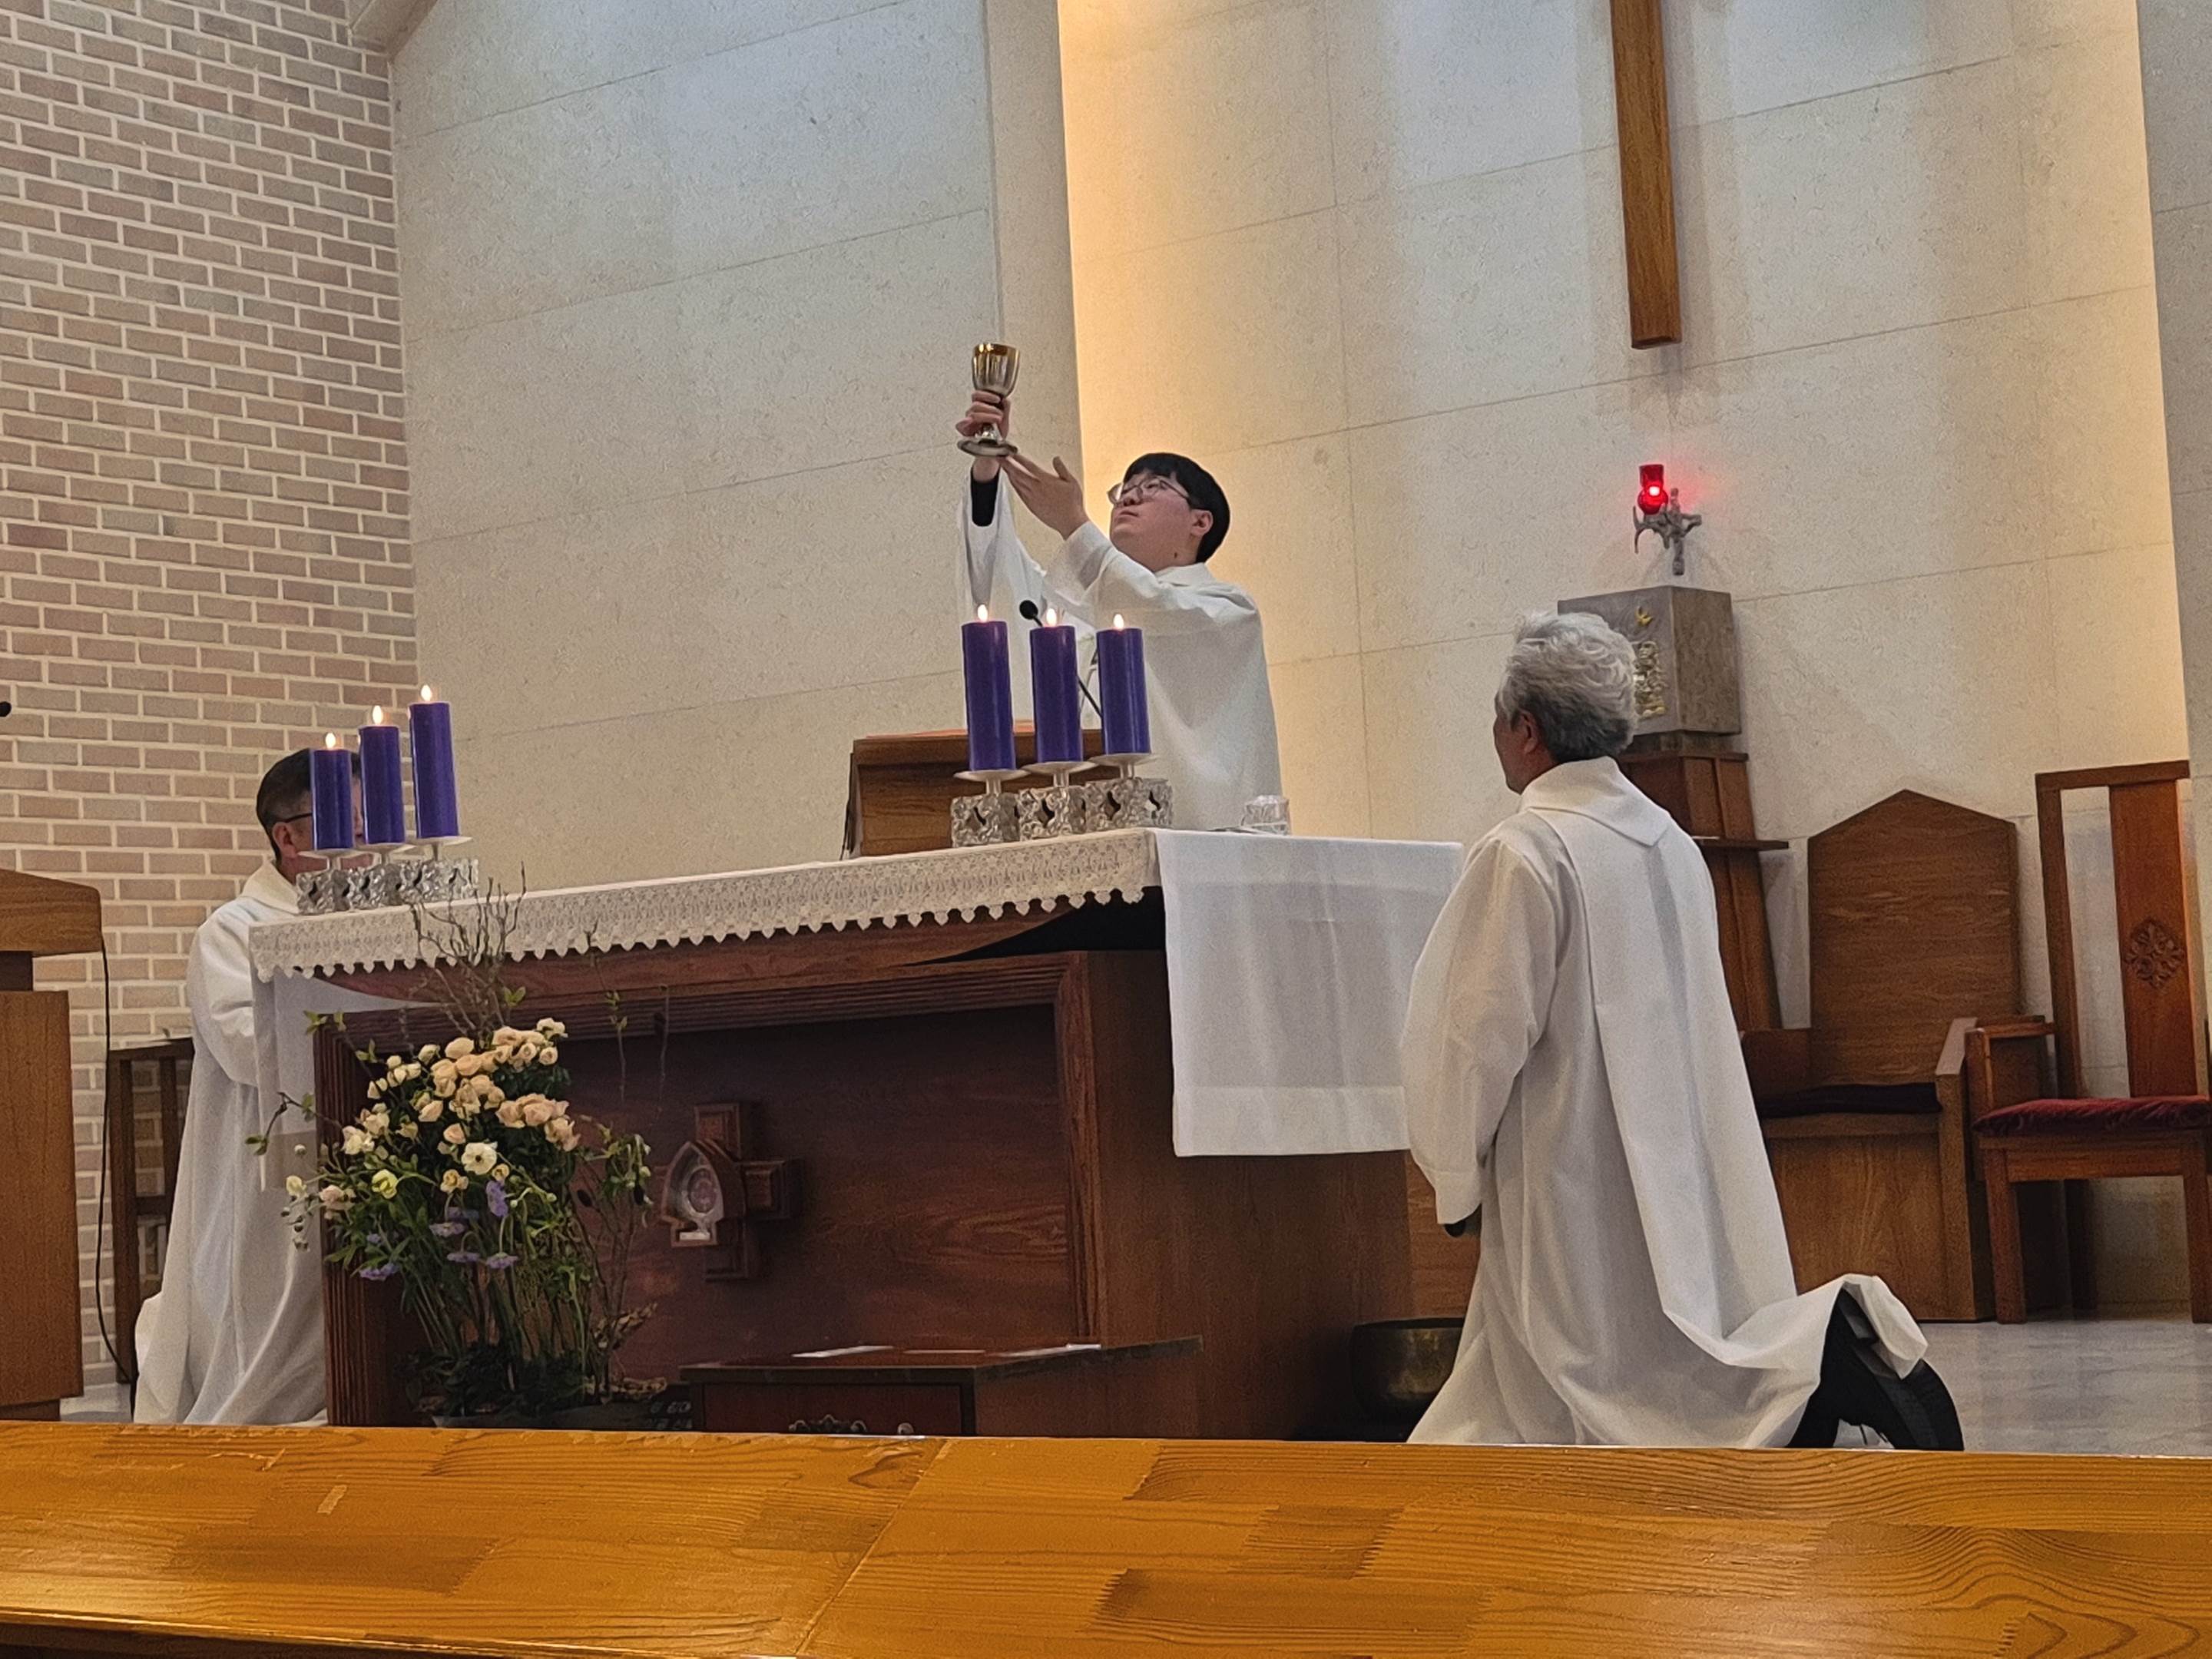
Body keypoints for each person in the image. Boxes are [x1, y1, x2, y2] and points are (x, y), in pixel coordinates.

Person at [1399, 612, 1962, 1449]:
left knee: (1582, 1377)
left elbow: (1474, 1037)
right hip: (1686, 1150)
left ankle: (1817, 1357)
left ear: (1526, 729)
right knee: (1669, 1344)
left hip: (1569, 1156)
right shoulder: (1667, 840)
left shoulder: (1524, 851)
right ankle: (1804, 1369)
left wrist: (1454, 1171)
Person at [134, 749, 352, 1425]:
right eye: (346, 822)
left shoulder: (378, 924)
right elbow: (244, 1045)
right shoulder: (233, 931)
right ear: (288, 836)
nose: (365, 841)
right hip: (272, 1156)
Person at [957, 389, 1282, 830]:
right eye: (1124, 490)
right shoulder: (1075, 611)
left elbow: (1152, 606)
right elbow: (998, 578)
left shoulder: (1226, 612)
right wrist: (988, 465)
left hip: (1193, 840)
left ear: (1200, 521)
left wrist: (1073, 524)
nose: (1129, 498)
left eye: (1154, 487)